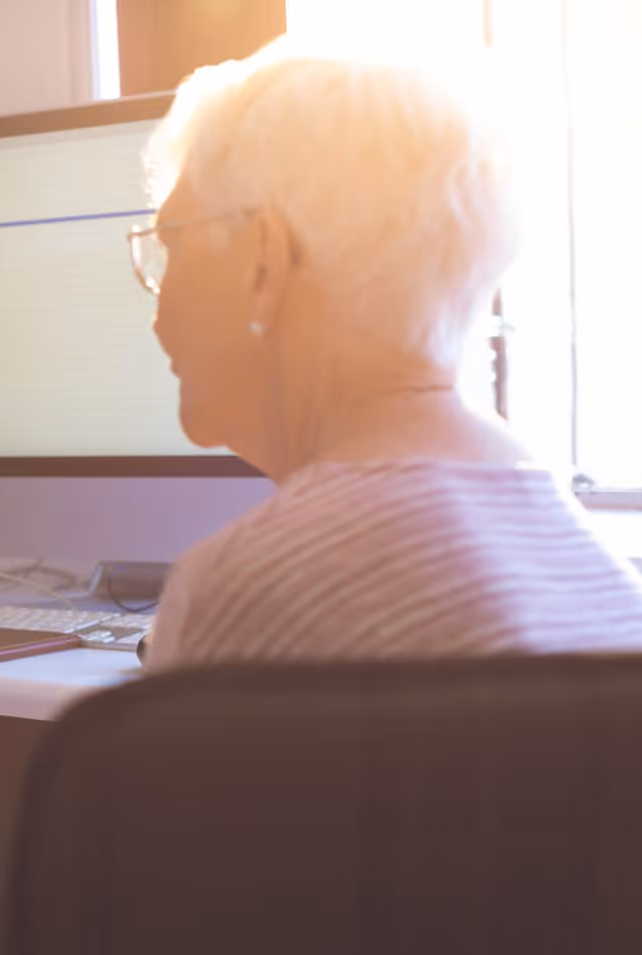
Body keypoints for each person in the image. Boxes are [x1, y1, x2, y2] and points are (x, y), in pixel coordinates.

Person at [130, 36, 642, 670]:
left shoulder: (246, 590)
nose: (157, 313)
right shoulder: (593, 576)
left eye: (170, 246)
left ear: (263, 260)